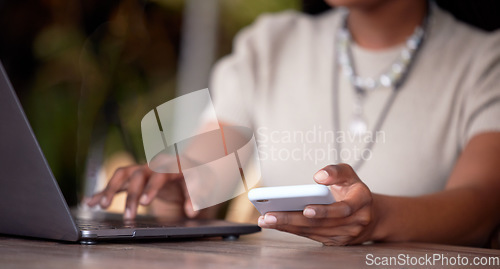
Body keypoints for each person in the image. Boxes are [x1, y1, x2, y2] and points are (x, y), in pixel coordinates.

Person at [88, 0, 500, 246]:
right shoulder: (270, 44)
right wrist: (176, 188)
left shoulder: (485, 61)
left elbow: (483, 203)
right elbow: (206, 170)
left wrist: (377, 219)